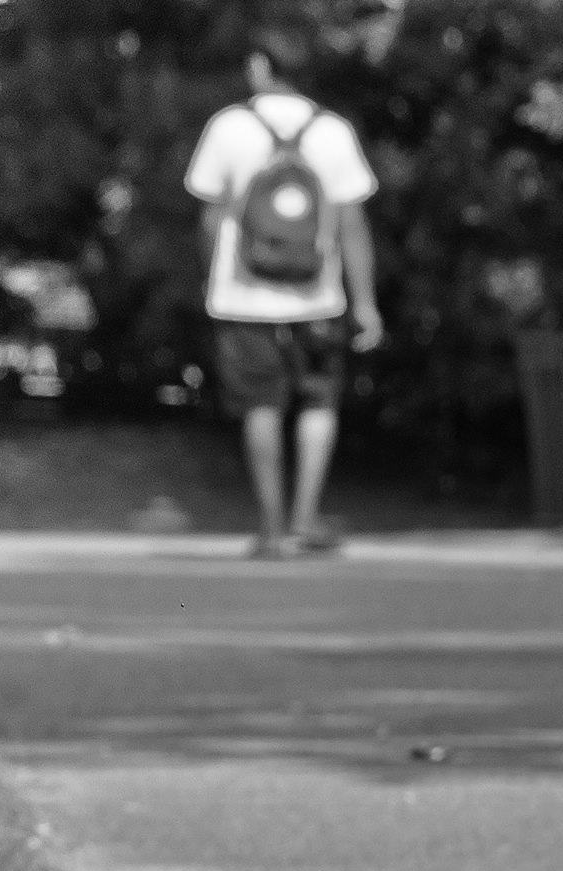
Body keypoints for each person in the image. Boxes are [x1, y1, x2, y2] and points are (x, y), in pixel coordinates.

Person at [184, 28, 383, 558]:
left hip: (243, 297)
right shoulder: (334, 131)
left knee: (260, 404)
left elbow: (209, 219)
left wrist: (210, 280)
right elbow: (352, 224)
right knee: (319, 401)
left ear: (260, 65)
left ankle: (271, 530)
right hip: (319, 295)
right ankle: (305, 519)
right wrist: (365, 302)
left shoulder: (228, 127)